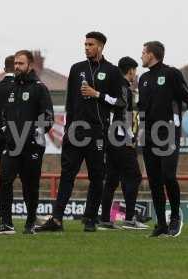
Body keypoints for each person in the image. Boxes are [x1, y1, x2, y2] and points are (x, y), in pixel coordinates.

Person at [37, 31, 126, 232]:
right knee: (67, 174)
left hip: (97, 132)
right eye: (85, 44)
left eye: (91, 44)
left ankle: (90, 218)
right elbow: (70, 102)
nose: (86, 47)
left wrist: (98, 94)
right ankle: (57, 219)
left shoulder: (112, 71)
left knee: (96, 176)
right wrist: (68, 128)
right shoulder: (76, 69)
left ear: (101, 47)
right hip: (75, 131)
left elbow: (121, 102)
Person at [138, 41, 188, 237]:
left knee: (168, 176)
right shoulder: (143, 79)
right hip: (149, 134)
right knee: (154, 180)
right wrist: (140, 129)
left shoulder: (172, 73)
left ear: (151, 54)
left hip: (168, 133)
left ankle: (175, 217)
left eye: (143, 53)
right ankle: (161, 224)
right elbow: (142, 108)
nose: (141, 56)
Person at [0, 50, 54, 235]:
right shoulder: (10, 88)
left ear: (30, 65)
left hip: (32, 146)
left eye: (21, 63)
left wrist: (33, 133)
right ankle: (6, 224)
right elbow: (2, 115)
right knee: (5, 181)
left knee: (30, 185)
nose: (17, 66)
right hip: (12, 145)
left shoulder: (39, 88)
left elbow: (48, 117)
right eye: (15, 63)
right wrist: (4, 131)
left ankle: (30, 223)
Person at [98, 56, 147, 230]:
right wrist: (129, 138)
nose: (136, 74)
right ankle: (129, 219)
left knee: (111, 179)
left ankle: (105, 219)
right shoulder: (124, 88)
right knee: (134, 176)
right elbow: (123, 115)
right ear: (131, 70)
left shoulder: (114, 86)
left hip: (111, 139)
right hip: (120, 138)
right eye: (135, 71)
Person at [0, 55, 15, 160]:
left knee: (5, 171)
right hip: (18, 136)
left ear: (4, 69)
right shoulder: (20, 87)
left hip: (0, 135)